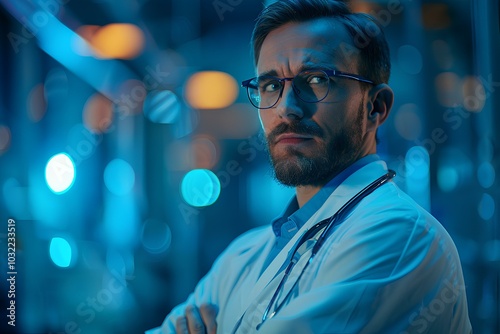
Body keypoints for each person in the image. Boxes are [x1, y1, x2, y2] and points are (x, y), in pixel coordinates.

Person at [147, 0, 472, 333]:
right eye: (271, 86)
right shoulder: (243, 255)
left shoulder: (400, 234)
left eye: (316, 80)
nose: (287, 108)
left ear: (376, 106)